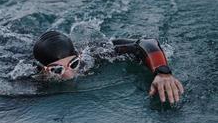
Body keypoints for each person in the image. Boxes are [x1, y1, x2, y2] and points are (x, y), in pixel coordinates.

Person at [33, 30, 184, 104]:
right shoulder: (28, 80)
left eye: (74, 64)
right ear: (42, 70)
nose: (69, 75)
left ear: (79, 56)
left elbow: (146, 43)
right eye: (56, 70)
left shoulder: (95, 54)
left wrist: (162, 72)